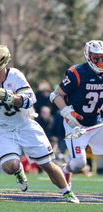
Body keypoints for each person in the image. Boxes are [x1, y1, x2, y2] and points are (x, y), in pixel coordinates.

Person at [0, 45, 79, 203]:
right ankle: (18, 170)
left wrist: (8, 97)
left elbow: (30, 100)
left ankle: (67, 192)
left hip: (26, 126)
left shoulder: (15, 75)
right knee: (9, 166)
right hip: (5, 131)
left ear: (0, 61)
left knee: (47, 165)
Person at [51, 40, 103, 190]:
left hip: (96, 122)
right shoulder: (77, 72)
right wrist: (67, 113)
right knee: (79, 164)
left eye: (102, 57)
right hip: (76, 124)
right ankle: (66, 170)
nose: (100, 61)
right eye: (96, 57)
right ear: (88, 56)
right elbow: (55, 95)